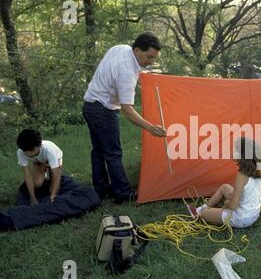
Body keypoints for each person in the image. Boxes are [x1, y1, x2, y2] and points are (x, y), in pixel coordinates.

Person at [82, 32, 166, 204]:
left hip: (89, 104)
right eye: (149, 57)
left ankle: (100, 189)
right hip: (103, 110)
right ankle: (123, 194)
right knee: (113, 152)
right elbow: (127, 109)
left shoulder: (121, 48)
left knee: (98, 151)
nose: (150, 62)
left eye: (154, 58)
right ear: (137, 50)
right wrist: (151, 128)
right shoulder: (127, 71)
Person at [187, 137, 261, 228]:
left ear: (243, 156)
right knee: (225, 187)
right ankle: (201, 208)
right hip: (254, 213)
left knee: (203, 213)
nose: (233, 151)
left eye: (236, 150)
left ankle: (200, 212)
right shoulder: (258, 170)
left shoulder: (242, 176)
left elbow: (232, 206)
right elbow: (244, 194)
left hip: (242, 218)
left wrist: (226, 203)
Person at [16, 129, 63, 204]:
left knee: (53, 190)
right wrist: (33, 198)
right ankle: (43, 173)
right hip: (38, 161)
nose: (27, 153)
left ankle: (48, 172)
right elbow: (27, 176)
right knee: (37, 184)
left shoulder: (49, 149)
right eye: (25, 151)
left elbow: (56, 173)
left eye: (30, 150)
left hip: (55, 160)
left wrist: (53, 194)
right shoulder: (21, 152)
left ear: (39, 145)